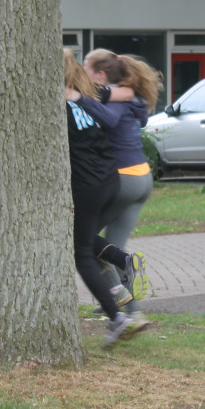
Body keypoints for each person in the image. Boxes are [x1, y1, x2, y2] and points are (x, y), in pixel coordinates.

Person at [64, 49, 151, 347]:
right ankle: (124, 267)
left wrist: (79, 99)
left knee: (82, 249)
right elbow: (130, 97)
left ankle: (118, 313)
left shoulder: (79, 98)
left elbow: (117, 108)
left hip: (105, 180)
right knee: (88, 237)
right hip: (123, 177)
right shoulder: (96, 93)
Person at [84, 49, 163, 309]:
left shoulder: (116, 99)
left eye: (86, 67)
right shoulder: (132, 97)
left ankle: (115, 294)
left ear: (101, 74)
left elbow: (109, 118)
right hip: (142, 178)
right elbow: (140, 119)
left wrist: (81, 99)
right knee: (113, 246)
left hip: (124, 180)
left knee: (84, 240)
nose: (83, 72)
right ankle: (128, 309)